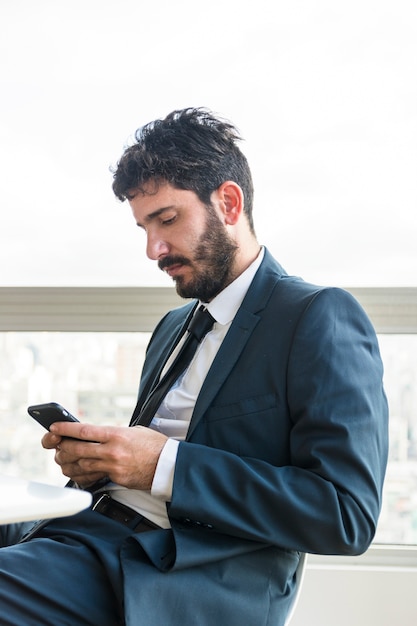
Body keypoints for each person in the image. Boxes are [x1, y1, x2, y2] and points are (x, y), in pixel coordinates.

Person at [0, 108, 388, 625]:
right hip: (84, 530)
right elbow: (148, 459)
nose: (152, 249)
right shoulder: (173, 326)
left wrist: (163, 465)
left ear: (228, 203)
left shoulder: (315, 316)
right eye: (143, 227)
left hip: (166, 573)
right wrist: (103, 462)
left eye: (167, 219)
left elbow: (346, 516)